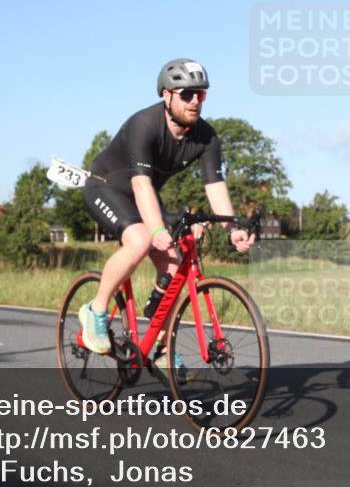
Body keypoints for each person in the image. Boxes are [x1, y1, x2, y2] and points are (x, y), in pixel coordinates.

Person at [78, 58, 256, 363]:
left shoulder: (207, 137)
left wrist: (232, 229)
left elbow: (215, 186)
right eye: (186, 94)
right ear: (167, 94)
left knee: (174, 265)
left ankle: (158, 343)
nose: (194, 102)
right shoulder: (144, 125)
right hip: (106, 187)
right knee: (140, 240)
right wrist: (157, 230)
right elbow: (141, 185)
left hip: (143, 195)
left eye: (200, 94)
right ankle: (95, 311)